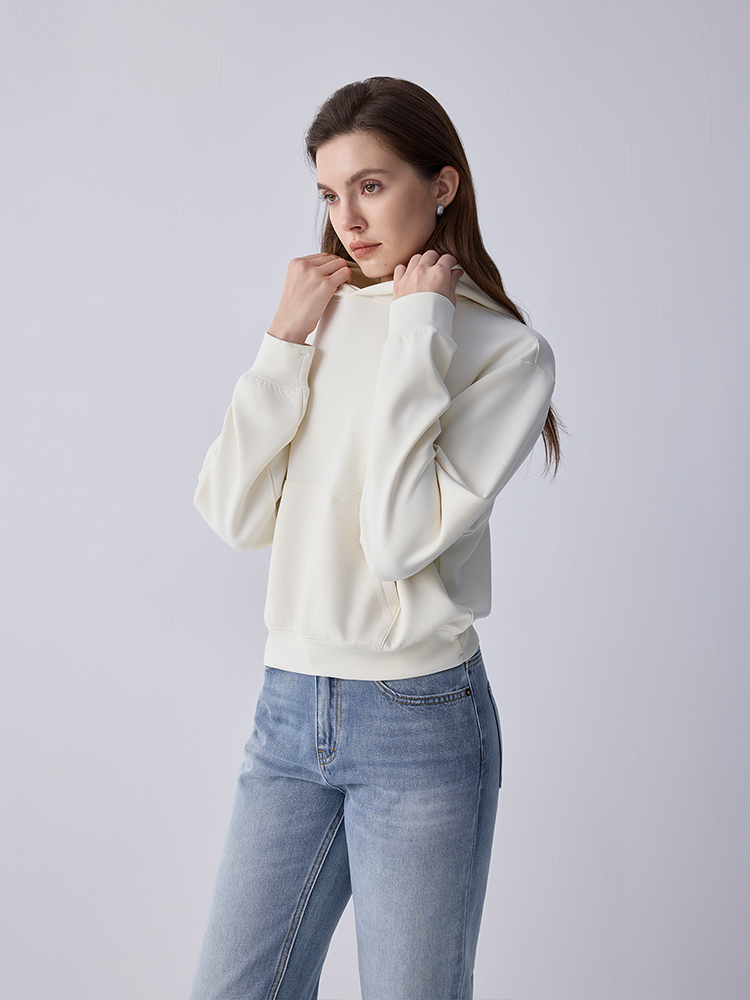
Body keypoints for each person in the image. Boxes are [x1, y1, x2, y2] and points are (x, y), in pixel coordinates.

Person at [188, 76, 560, 1000]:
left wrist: (420, 327)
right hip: (288, 706)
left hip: (418, 722)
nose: (347, 219)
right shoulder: (321, 318)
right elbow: (233, 514)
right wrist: (282, 342)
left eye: (371, 185)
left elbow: (397, 540)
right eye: (329, 192)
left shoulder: (505, 353)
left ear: (442, 185)